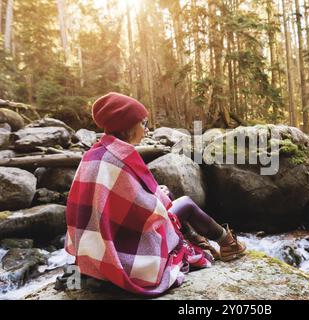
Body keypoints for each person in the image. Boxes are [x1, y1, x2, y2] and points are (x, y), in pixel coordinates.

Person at [64, 92, 246, 296]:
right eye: (143, 123)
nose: (147, 129)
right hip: (124, 251)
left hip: (94, 250)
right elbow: (150, 212)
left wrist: (156, 193)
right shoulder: (122, 157)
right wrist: (160, 195)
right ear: (127, 126)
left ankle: (200, 241)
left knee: (167, 199)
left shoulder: (93, 154)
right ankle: (229, 244)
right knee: (184, 203)